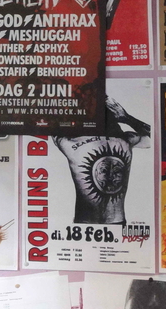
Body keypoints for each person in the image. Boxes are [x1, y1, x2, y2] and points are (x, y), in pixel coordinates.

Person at [54, 95, 152, 224]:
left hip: (85, 224)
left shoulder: (70, 144)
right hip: (117, 222)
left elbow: (46, 121)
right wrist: (126, 118)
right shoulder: (127, 140)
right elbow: (158, 138)